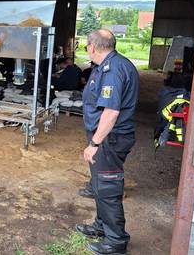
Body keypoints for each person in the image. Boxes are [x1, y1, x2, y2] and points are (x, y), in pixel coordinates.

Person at [76, 29, 139, 255]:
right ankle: (101, 226)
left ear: (92, 47)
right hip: (104, 137)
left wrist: (94, 144)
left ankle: (116, 241)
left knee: (108, 189)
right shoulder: (108, 65)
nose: (86, 49)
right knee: (100, 187)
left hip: (109, 139)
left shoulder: (113, 70)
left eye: (86, 46)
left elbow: (111, 112)